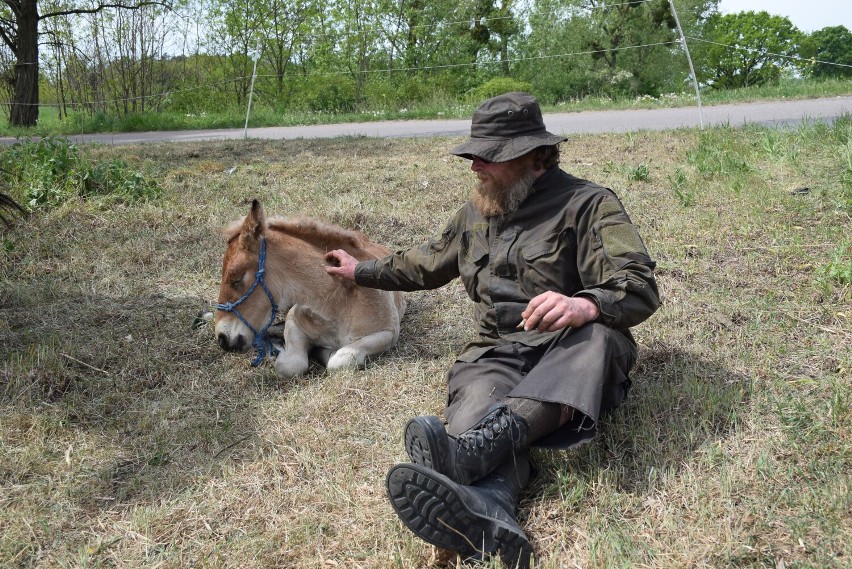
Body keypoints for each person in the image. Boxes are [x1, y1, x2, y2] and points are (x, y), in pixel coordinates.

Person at [325, 92, 660, 568]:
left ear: (534, 156)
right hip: (496, 354)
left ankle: (472, 457)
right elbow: (423, 264)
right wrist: (361, 271)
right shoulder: (476, 213)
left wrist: (583, 304)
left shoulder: (589, 205)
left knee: (601, 340)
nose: (475, 164)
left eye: (490, 155)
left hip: (571, 351)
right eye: (473, 153)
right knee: (467, 423)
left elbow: (640, 285)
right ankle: (493, 509)